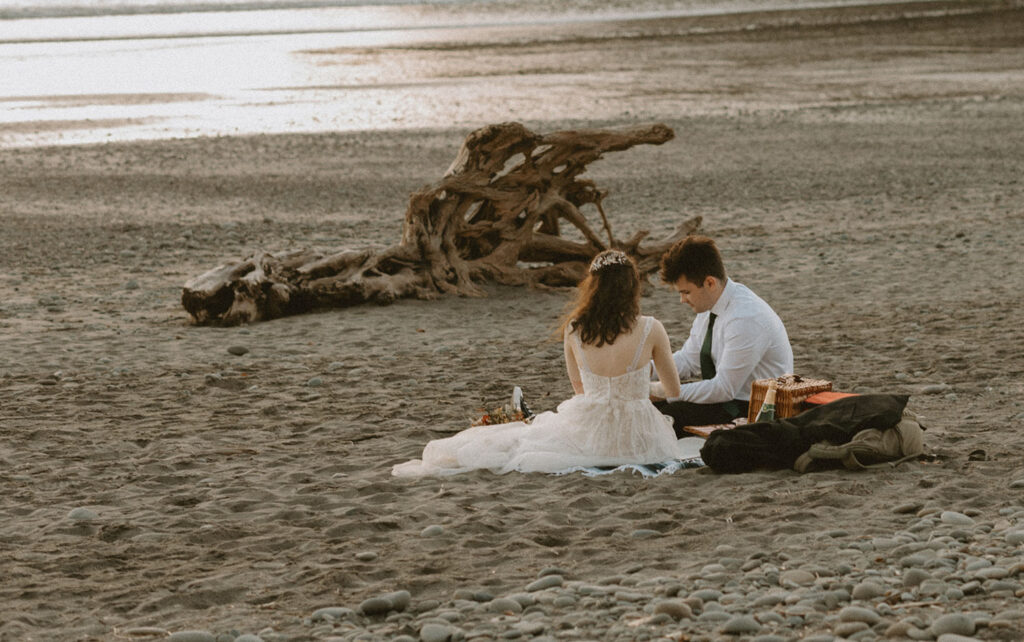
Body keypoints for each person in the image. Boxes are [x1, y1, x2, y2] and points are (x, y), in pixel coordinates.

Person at [392, 250, 688, 477]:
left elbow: (579, 390)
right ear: (633, 288)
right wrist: (635, 390)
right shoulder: (652, 328)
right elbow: (672, 391)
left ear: (593, 287)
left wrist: (613, 392)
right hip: (640, 435)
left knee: (525, 438)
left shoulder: (574, 329)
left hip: (591, 426)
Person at [653, 235, 793, 436]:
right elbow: (688, 361)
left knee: (662, 417)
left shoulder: (746, 317)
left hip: (753, 409)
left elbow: (723, 388)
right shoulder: (710, 306)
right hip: (726, 400)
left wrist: (661, 391)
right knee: (648, 411)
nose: (682, 300)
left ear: (710, 282)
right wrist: (640, 372)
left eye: (686, 292)